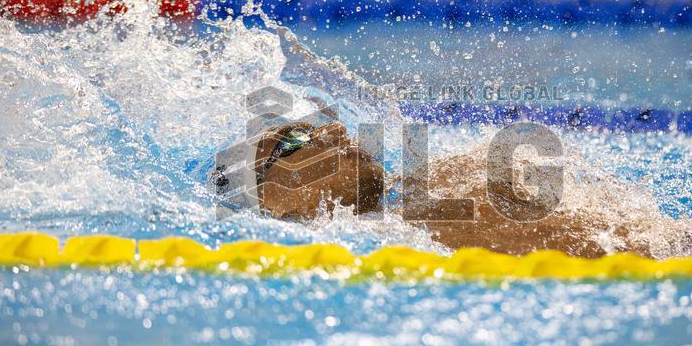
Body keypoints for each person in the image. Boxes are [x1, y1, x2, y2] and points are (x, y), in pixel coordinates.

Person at [215, 119, 648, 257]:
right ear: (272, 201)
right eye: (294, 142)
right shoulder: (410, 233)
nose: (334, 126)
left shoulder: (419, 193)